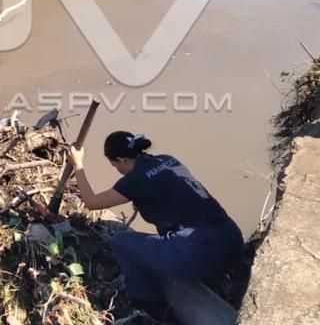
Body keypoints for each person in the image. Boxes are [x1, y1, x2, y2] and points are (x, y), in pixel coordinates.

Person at [68, 131, 243, 323]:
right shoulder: (168, 160)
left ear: (122, 160)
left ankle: (150, 306)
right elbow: (172, 194)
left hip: (198, 251)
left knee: (120, 242)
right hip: (232, 240)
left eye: (115, 165)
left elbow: (92, 202)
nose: (117, 169)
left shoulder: (134, 181)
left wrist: (78, 165)